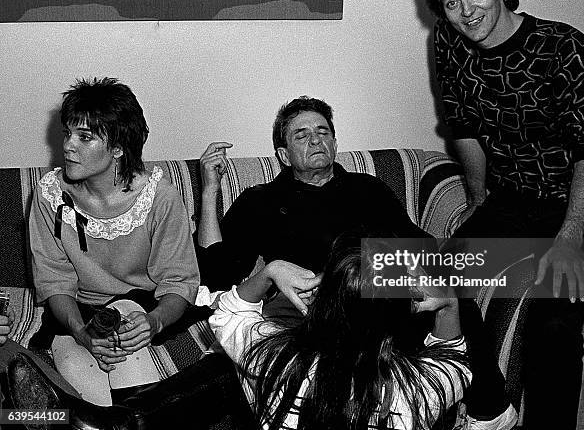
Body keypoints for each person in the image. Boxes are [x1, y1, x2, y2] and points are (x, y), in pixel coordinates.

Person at [423, 0, 584, 428]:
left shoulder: (563, 45)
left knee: (554, 327)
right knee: (430, 273)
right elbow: (463, 127)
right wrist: (478, 199)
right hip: (508, 195)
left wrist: (572, 234)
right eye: (451, 1)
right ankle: (490, 405)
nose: (467, 12)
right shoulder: (447, 42)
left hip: (569, 200)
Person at [28, 77, 200, 406]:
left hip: (141, 308)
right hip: (76, 315)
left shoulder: (158, 197)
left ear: (118, 148)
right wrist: (80, 331)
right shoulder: (49, 195)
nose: (67, 146)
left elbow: (178, 280)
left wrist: (154, 321)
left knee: (127, 332)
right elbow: (54, 281)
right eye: (68, 133)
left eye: (85, 137)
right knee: (98, 410)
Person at [197, 96, 430, 318]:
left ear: (334, 145)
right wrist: (209, 191)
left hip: (376, 307)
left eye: (323, 132)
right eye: (301, 135)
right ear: (284, 156)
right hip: (305, 316)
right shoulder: (261, 200)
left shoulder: (368, 188)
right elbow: (215, 275)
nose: (316, 140)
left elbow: (422, 249)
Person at [209, 232, 471, 430]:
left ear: (320, 299)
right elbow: (454, 362)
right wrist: (449, 304)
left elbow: (227, 314)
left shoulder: (274, 359)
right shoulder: (416, 391)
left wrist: (271, 271)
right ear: (402, 314)